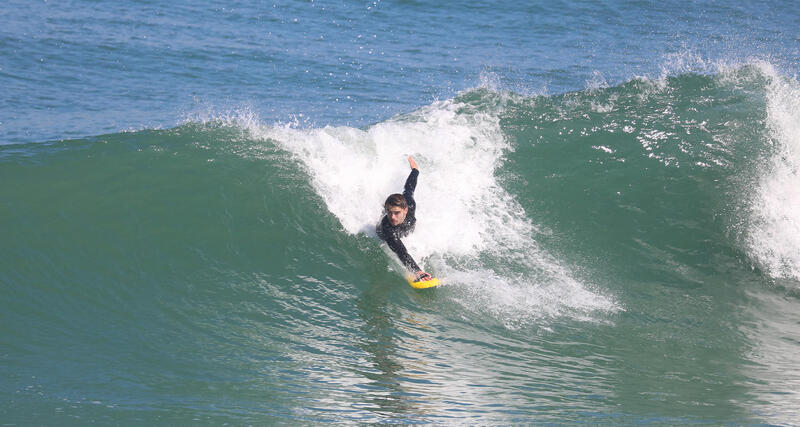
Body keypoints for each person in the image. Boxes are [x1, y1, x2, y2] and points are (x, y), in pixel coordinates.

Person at [376, 156, 433, 282]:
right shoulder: (388, 229)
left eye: (396, 213)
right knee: (395, 244)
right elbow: (402, 253)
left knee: (408, 192)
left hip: (405, 226)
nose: (392, 217)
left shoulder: (410, 204)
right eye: (389, 212)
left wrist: (415, 170)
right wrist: (417, 271)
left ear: (405, 210)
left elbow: (409, 187)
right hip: (386, 235)